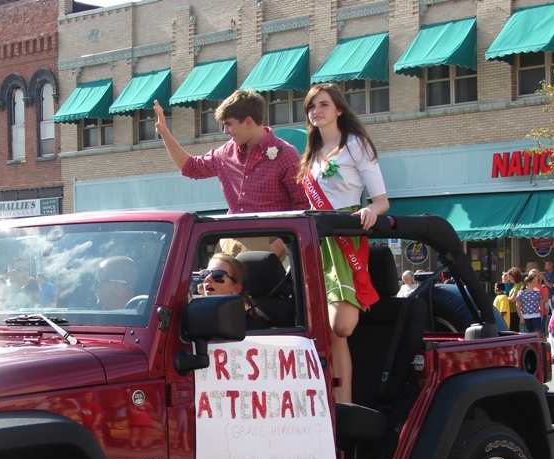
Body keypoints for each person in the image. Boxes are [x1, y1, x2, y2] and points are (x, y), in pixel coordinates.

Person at [296, 82, 389, 404]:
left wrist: (370, 210)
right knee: (327, 334)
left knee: (341, 326)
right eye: (311, 106)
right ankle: (340, 406)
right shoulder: (311, 153)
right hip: (314, 238)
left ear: (338, 109)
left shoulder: (356, 144)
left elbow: (382, 201)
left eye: (323, 104)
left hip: (343, 235)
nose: (316, 111)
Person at [153, 90, 308, 215]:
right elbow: (191, 167)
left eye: (228, 124)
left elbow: (303, 206)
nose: (225, 131)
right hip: (232, 238)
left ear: (248, 122)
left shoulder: (286, 155)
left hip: (274, 239)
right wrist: (165, 133)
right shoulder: (226, 153)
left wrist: (280, 242)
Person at [197, 253, 264, 330]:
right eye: (205, 273)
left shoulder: (249, 327)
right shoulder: (194, 316)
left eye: (218, 275)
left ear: (237, 289)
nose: (207, 279)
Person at [506, 267, 523, 333]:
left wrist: (503, 299)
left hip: (514, 311)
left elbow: (513, 299)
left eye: (510, 277)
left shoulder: (519, 285)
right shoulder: (514, 285)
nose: (509, 279)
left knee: (514, 330)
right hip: (511, 310)